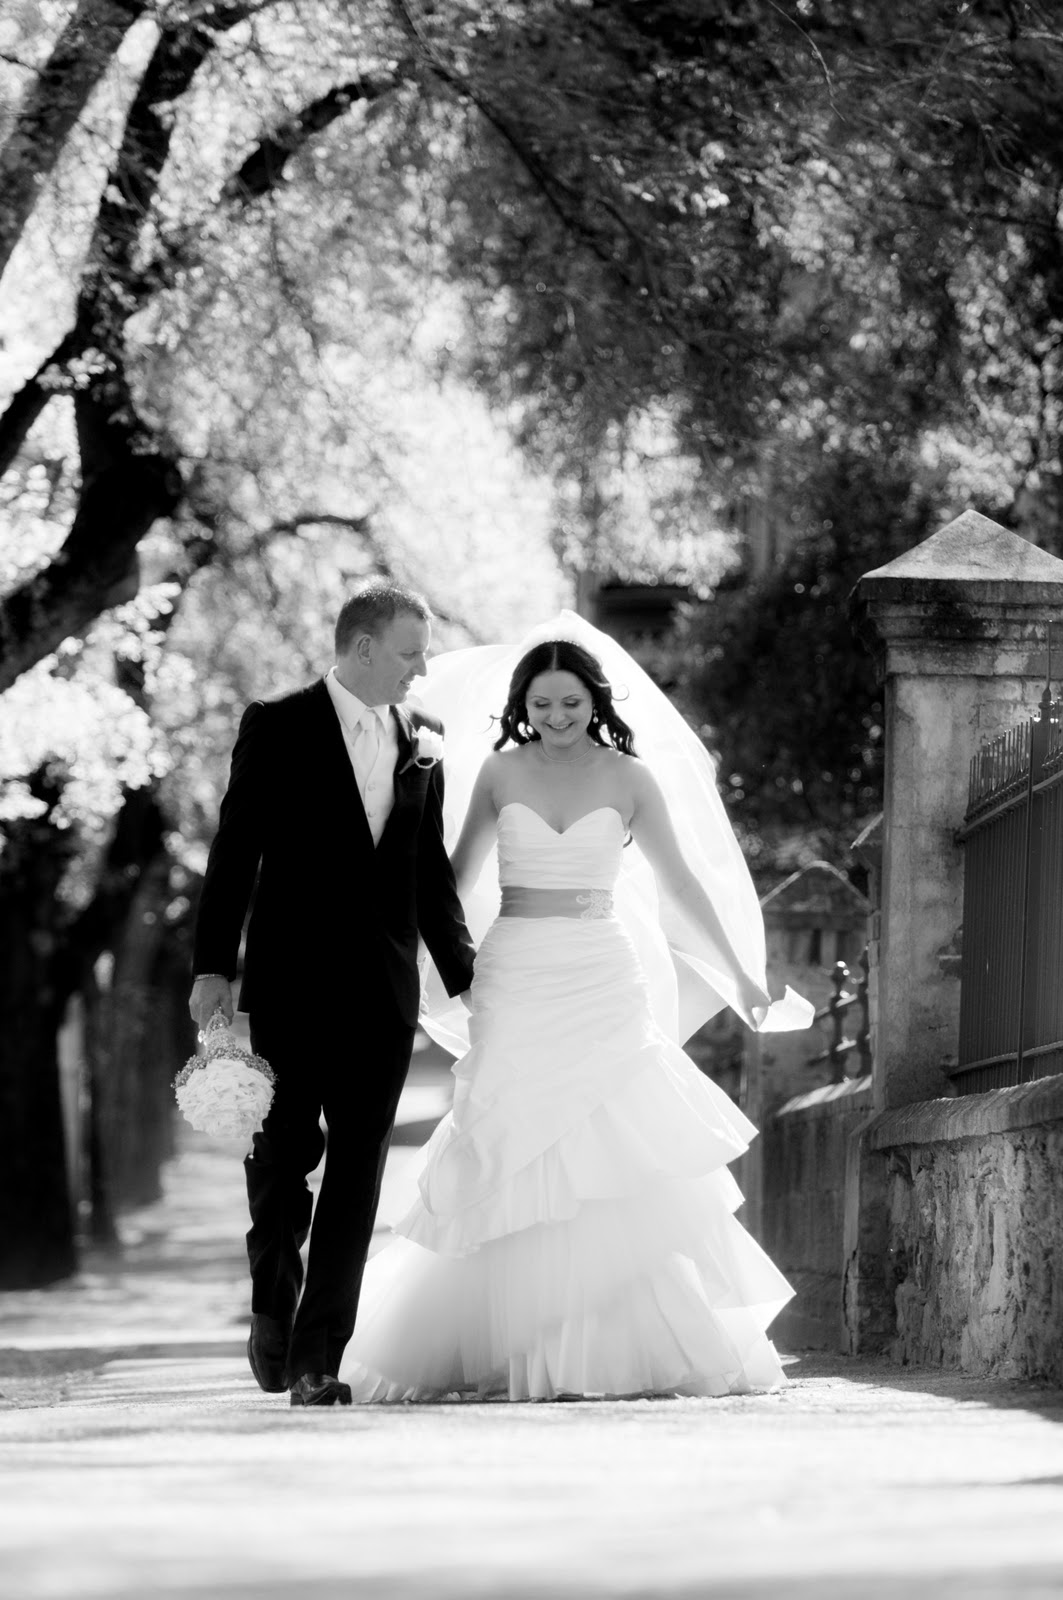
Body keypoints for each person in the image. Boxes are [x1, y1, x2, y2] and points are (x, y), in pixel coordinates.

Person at [337, 614, 812, 1403]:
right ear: (521, 706)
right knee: (510, 1135)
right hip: (515, 971)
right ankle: (502, 1345)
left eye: (569, 703)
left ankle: (624, 1344)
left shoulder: (630, 779)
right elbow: (453, 878)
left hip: (601, 972)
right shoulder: (499, 772)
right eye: (541, 704)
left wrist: (742, 976)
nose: (556, 717)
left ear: (594, 702)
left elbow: (681, 884)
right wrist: (403, 948)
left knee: (612, 1137)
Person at [189, 580, 476, 1407]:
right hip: (291, 984)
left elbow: (428, 870)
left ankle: (318, 1359)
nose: (420, 670)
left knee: (357, 1172)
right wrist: (211, 968)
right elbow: (235, 850)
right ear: (362, 647)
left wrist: (468, 979)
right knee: (283, 1160)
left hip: (383, 995)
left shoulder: (424, 737)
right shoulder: (276, 725)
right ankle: (272, 1304)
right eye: (410, 653)